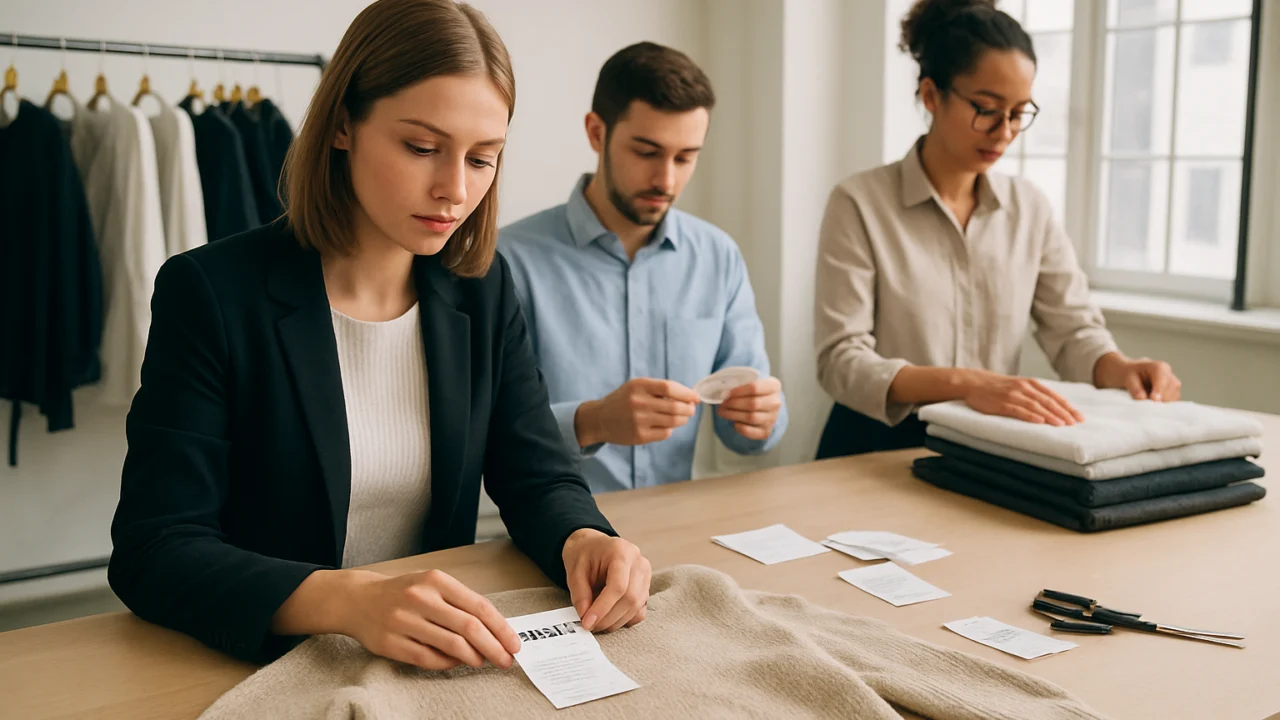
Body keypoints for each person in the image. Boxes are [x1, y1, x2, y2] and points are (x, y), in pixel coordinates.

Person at [108, 0, 651, 671]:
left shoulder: (482, 287)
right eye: (422, 148)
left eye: (483, 159)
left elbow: (535, 473)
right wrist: (349, 601)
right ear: (342, 125)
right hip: (265, 666)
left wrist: (583, 536)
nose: (454, 189)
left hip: (427, 669)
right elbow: (154, 548)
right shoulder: (212, 293)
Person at [813, 0, 1182, 459]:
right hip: (874, 446)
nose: (1004, 131)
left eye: (1019, 112)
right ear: (931, 96)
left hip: (988, 450)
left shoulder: (1029, 209)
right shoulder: (860, 203)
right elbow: (840, 360)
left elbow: (1072, 332)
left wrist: (1120, 367)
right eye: (986, 109)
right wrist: (967, 384)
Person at [499, 42, 788, 494]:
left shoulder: (719, 257)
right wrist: (592, 421)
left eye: (685, 157)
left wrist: (764, 416)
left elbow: (747, 438)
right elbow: (489, 437)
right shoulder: (509, 261)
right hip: (549, 533)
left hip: (675, 529)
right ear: (597, 133)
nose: (666, 180)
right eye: (647, 152)